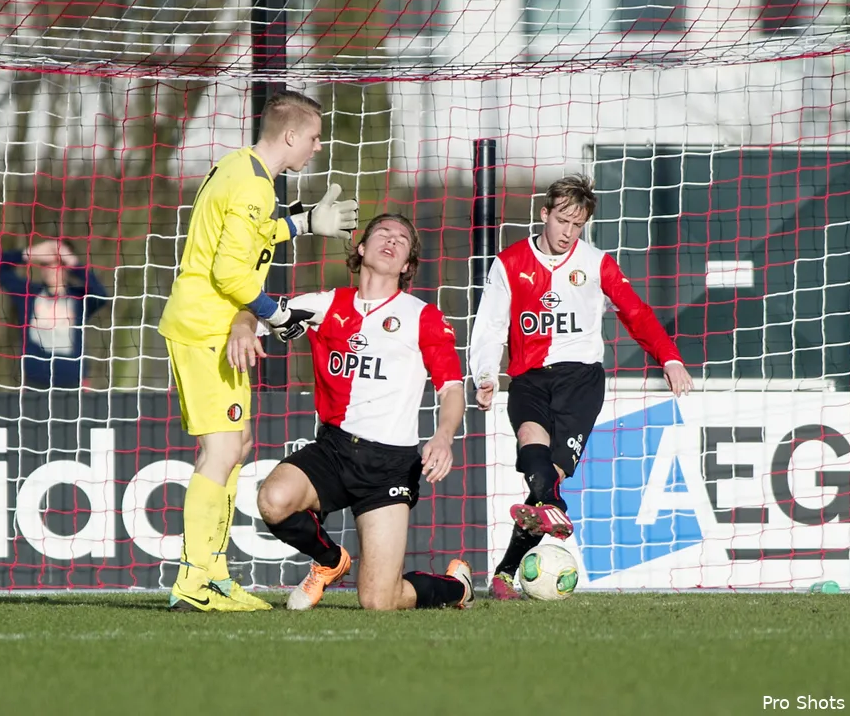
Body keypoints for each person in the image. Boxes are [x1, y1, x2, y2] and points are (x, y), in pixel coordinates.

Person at [157, 90, 359, 612]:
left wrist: (303, 223)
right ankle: (195, 579)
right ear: (290, 135)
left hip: (214, 326)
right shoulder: (252, 183)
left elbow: (249, 239)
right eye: (314, 137)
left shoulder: (240, 169)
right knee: (222, 451)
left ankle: (214, 573)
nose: (317, 146)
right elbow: (229, 271)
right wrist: (276, 312)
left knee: (237, 444)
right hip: (205, 327)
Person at [231, 213, 474, 612]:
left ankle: (456, 587)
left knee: (379, 601)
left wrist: (443, 436)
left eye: (402, 240)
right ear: (361, 248)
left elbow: (451, 389)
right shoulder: (326, 304)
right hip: (334, 449)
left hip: (389, 466)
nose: (391, 241)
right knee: (273, 500)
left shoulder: (422, 316)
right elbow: (257, 308)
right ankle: (330, 561)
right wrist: (242, 327)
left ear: (408, 265)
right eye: (383, 233)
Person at [468, 173, 694, 600]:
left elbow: (636, 313)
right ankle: (540, 528)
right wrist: (485, 375)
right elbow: (490, 326)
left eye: (577, 225)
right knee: (533, 454)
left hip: (580, 381)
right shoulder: (510, 263)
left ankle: (507, 572)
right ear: (544, 213)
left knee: (545, 480)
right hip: (529, 378)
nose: (568, 233)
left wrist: (669, 357)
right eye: (562, 221)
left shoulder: (596, 263)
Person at [0, 237, 108, 389]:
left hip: (73, 382)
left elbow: (102, 295)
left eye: (58, 263)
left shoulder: (80, 299)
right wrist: (29, 253)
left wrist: (74, 263)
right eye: (47, 264)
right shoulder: (28, 294)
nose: (52, 269)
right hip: (35, 382)